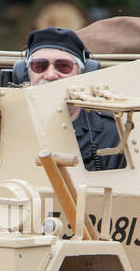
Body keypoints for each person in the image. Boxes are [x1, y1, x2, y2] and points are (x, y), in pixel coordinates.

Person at [22, 26, 125, 170]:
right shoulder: (11, 123)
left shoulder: (113, 135)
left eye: (63, 66)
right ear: (27, 74)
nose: (51, 75)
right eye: (40, 66)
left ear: (82, 73)